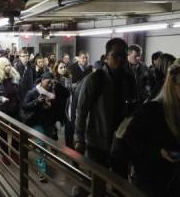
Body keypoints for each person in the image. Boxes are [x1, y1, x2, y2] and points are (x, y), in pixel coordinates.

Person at [74, 38, 136, 178]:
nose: (120, 59)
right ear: (107, 56)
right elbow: (81, 110)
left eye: (123, 55)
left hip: (120, 141)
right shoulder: (95, 79)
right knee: (97, 181)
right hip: (97, 142)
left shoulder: (129, 79)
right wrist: (79, 138)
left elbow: (133, 107)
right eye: (116, 55)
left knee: (120, 183)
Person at [121, 63, 180, 197]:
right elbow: (130, 138)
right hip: (151, 180)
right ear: (172, 85)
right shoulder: (152, 110)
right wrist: (158, 151)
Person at [22, 72, 56, 182]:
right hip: (37, 123)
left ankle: (41, 163)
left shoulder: (53, 93)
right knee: (41, 146)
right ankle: (42, 171)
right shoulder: (33, 92)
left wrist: (51, 106)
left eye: (52, 82)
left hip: (48, 124)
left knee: (44, 147)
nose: (50, 84)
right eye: (48, 82)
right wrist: (37, 101)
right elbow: (24, 106)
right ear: (42, 81)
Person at [0, 57, 21, 165]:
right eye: (6, 65)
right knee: (4, 133)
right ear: (1, 66)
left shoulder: (13, 77)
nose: (8, 67)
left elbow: (16, 93)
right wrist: (0, 98)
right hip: (3, 110)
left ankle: (15, 153)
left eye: (9, 65)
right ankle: (5, 154)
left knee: (17, 133)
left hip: (15, 109)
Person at [52, 60, 72, 147]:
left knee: (68, 132)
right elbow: (55, 101)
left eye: (64, 67)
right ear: (56, 69)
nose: (63, 69)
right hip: (57, 109)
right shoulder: (54, 82)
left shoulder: (68, 78)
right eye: (61, 67)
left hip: (68, 107)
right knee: (55, 134)